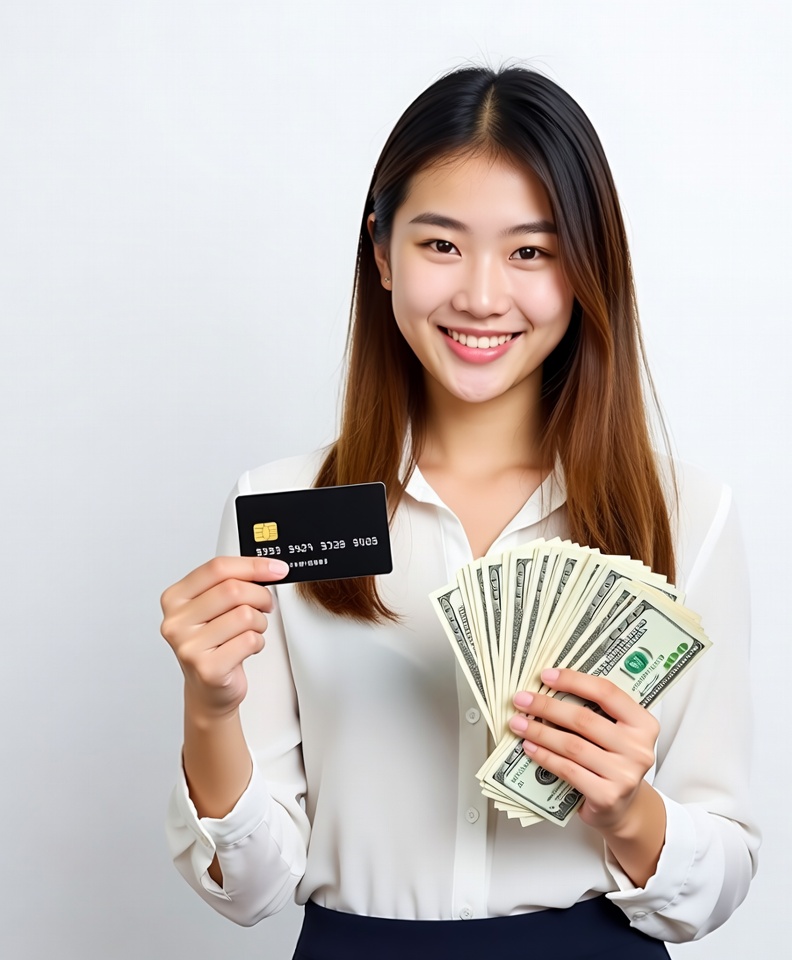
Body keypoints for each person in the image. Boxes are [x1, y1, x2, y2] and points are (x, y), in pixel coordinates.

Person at [161, 65, 759, 958]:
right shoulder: (280, 510)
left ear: (586, 267)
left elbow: (722, 873)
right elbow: (250, 892)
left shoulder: (686, 515)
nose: (481, 296)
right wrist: (210, 709)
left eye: (531, 252)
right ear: (381, 253)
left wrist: (629, 810)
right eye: (441, 244)